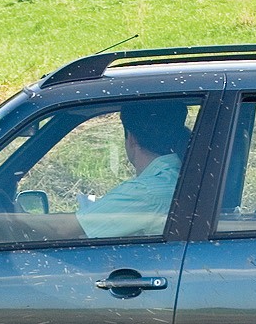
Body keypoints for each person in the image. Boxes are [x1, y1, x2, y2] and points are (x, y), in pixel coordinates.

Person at [76, 102, 189, 238]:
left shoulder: (146, 191)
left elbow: (63, 230)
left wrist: (42, 221)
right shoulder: (183, 176)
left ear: (131, 138)